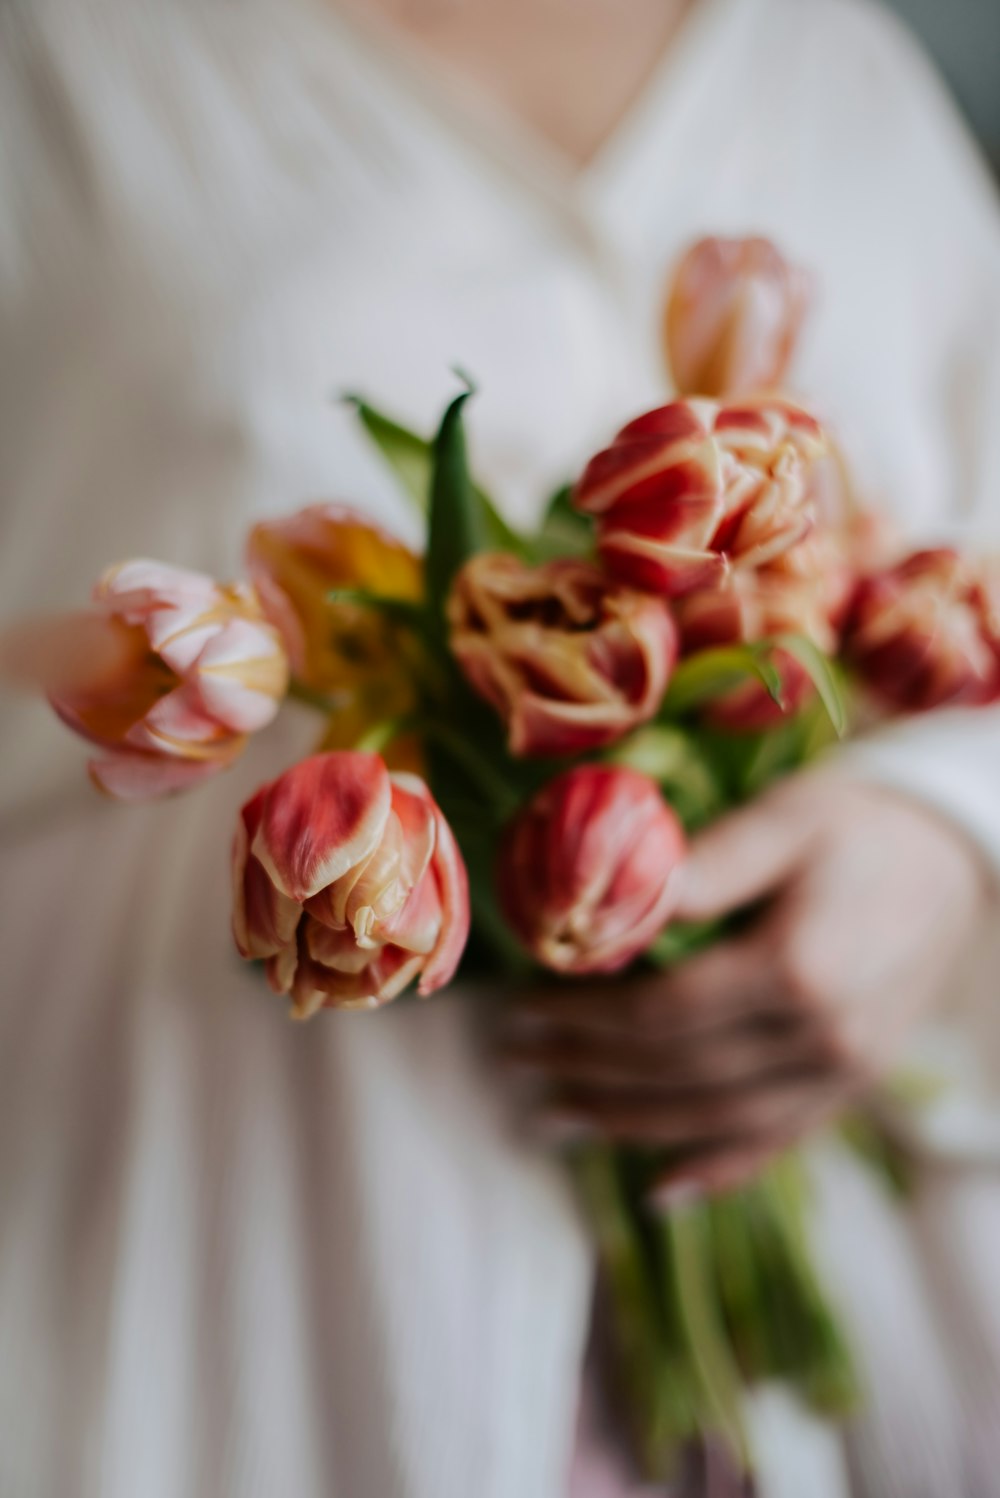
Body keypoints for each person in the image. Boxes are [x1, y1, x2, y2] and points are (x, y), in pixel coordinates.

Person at [1, 1, 999, 1495]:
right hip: (218, 1244)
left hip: (858, 1275)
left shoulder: (829, 62)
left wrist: (947, 829)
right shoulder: (64, 59)